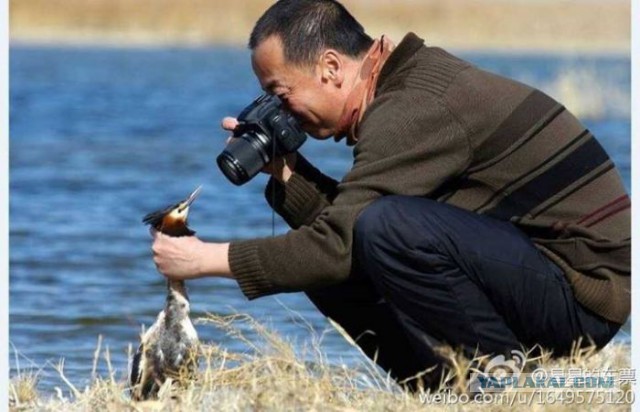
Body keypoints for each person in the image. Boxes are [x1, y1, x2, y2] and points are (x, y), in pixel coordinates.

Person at [150, 0, 630, 391]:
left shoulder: (411, 110)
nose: (283, 111)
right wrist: (287, 174)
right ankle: (447, 390)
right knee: (340, 255)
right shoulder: (407, 85)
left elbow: (345, 242)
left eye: (280, 93)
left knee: (377, 231)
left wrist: (203, 259)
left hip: (582, 297)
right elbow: (347, 233)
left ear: (332, 67)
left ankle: (503, 387)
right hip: (543, 275)